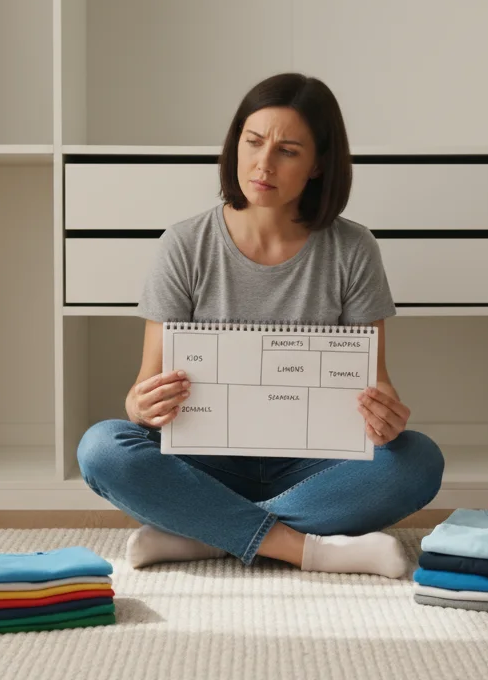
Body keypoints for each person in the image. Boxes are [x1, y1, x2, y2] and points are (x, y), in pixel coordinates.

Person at [76, 72, 444, 578]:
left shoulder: (352, 250)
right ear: (235, 145)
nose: (262, 164)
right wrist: (141, 403)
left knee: (419, 459)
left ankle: (203, 532)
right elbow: (145, 390)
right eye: (252, 142)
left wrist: (383, 414)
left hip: (312, 465)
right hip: (205, 461)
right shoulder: (184, 244)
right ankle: (306, 547)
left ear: (317, 165)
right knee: (102, 448)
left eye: (288, 151)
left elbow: (374, 381)